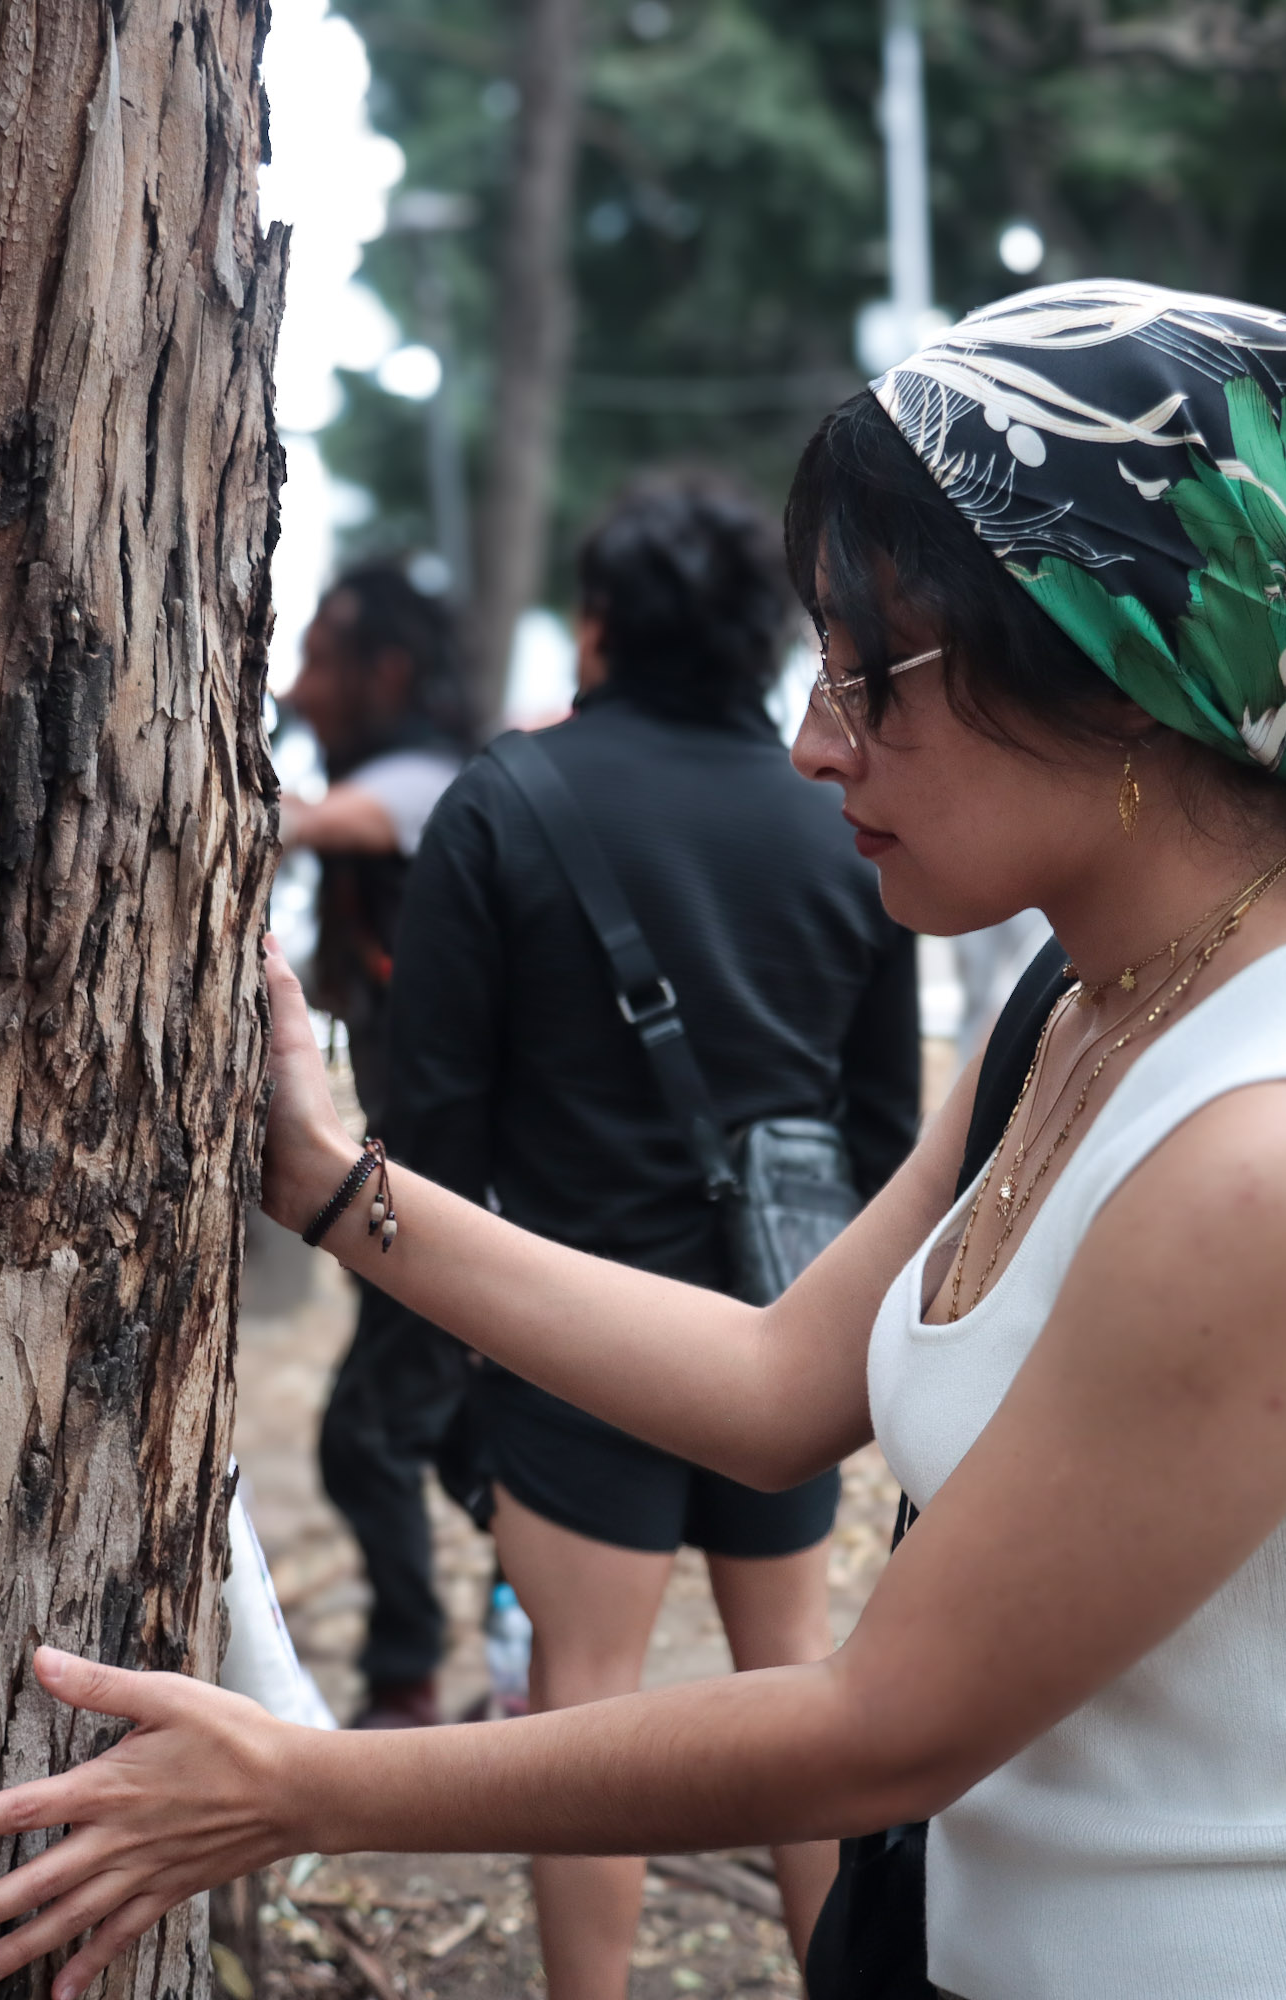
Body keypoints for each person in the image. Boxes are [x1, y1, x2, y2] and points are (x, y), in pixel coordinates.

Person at [0, 283, 1286, 2000]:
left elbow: (886, 1727)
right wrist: (329, 1186)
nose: (810, 744)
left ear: (1129, 674)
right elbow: (781, 1383)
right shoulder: (1091, 1010)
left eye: (874, 677)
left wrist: (302, 1788)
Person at [384, 476, 915, 1986]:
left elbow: (431, 1117)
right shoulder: (846, 821)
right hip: (783, 1333)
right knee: (798, 1696)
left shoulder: (505, 801)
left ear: (599, 624)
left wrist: (448, 1342)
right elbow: (887, 1126)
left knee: (587, 1710)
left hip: (575, 1334)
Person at [279, 563, 482, 1727]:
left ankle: (410, 1684)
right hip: (419, 1170)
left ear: (388, 670)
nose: (300, 688)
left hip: (457, 1184)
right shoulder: (402, 790)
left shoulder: (423, 783)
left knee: (373, 1433)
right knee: (458, 1432)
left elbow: (307, 820)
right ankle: (520, 1651)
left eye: (320, 660)